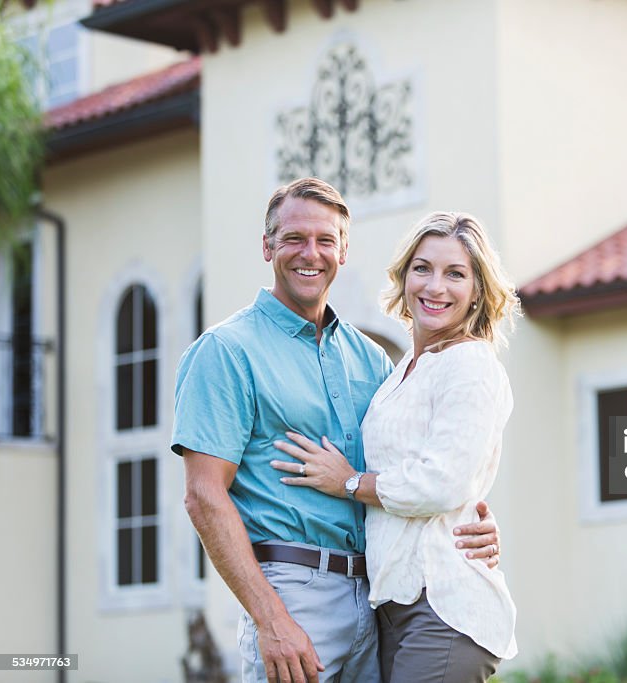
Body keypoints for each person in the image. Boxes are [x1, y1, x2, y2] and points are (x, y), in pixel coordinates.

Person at [172, 178, 501, 683]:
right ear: (267, 246)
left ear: (343, 251)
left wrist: (466, 517)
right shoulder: (227, 351)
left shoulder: (372, 360)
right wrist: (272, 619)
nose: (311, 253)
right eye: (294, 239)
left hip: (376, 600)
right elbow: (202, 495)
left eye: (326, 241)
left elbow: (423, 464)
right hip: (294, 595)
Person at [269, 211, 519, 682]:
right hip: (392, 605)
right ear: (404, 277)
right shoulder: (401, 371)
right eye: (422, 268)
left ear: (478, 292)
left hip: (442, 606)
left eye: (455, 274)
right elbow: (428, 474)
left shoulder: (471, 365)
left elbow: (442, 482)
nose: (435, 286)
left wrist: (346, 481)